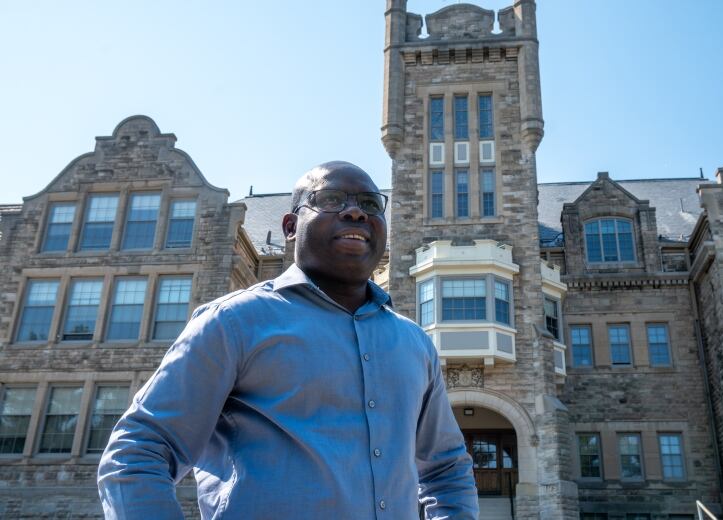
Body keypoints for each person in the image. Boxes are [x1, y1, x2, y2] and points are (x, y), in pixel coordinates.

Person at [97, 161, 478, 519]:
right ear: (291, 226)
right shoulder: (235, 322)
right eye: (330, 200)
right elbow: (137, 452)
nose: (356, 212)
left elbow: (445, 469)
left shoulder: (414, 344)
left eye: (369, 204)